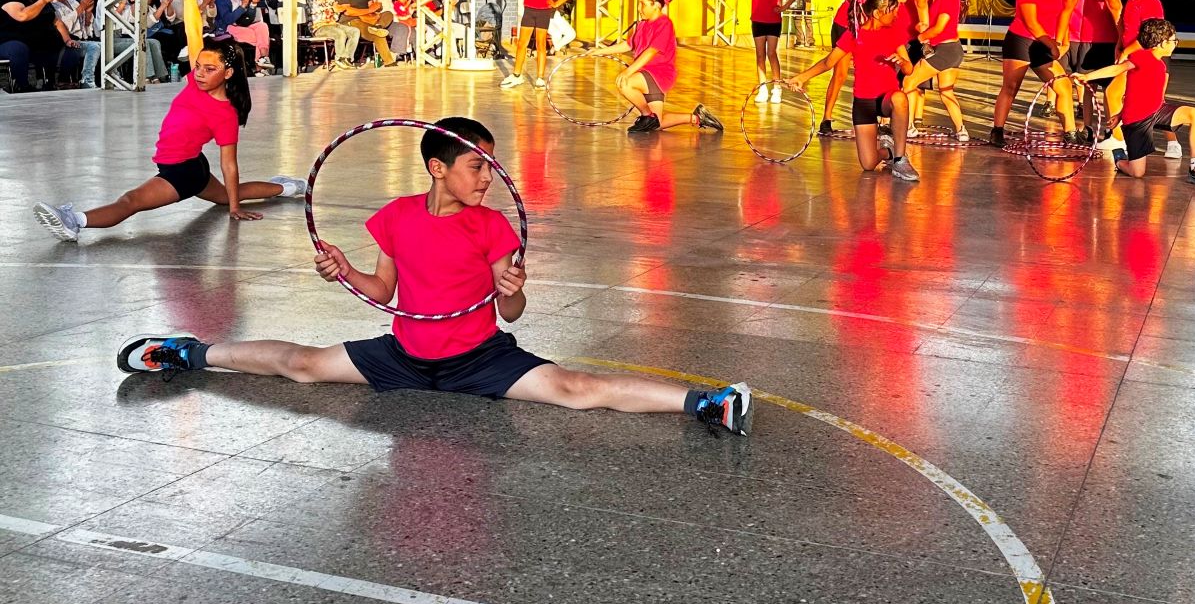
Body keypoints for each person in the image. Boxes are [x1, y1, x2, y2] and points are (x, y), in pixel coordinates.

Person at [114, 116, 752, 435]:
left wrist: (515, 291)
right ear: (437, 167)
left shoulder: (491, 227)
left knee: (576, 388)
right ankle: (188, 352)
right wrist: (345, 272)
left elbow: (513, 315)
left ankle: (707, 402)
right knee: (302, 364)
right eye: (477, 168)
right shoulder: (395, 216)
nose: (488, 179)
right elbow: (385, 293)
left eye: (491, 169)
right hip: (406, 353)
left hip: (479, 356)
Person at [32, 0, 304, 243]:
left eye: (210, 70)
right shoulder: (196, 83)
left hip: (182, 171)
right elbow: (193, 28)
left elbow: (229, 164)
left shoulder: (225, 114)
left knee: (131, 201)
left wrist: (235, 209)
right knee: (223, 195)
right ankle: (286, 187)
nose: (199, 73)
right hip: (192, 164)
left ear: (229, 74)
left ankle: (75, 221)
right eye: (199, 66)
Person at [788, 0, 919, 182]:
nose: (896, 15)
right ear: (877, 13)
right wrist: (801, 77)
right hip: (863, 101)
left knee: (900, 98)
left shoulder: (893, 33)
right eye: (892, 11)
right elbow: (828, 62)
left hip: (886, 98)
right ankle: (888, 152)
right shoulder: (854, 35)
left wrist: (901, 61)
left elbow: (909, 70)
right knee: (868, 164)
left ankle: (900, 159)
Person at [1072, 18, 1195, 185]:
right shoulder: (1141, 57)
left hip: (1158, 110)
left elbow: (1140, 94)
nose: (1175, 44)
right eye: (1172, 41)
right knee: (1137, 172)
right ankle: (1119, 158)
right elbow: (1118, 68)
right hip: (1137, 120)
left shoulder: (1161, 65)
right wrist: (1087, 77)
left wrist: (1119, 114)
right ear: (1160, 43)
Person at [592, 0, 723, 135]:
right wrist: (599, 51)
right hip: (647, 75)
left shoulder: (664, 24)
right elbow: (629, 44)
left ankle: (647, 116)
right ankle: (697, 118)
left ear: (656, 5)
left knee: (624, 82)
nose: (639, 8)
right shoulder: (642, 24)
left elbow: (651, 51)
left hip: (658, 74)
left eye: (643, 4)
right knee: (656, 124)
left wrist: (628, 71)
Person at [991, 0, 1078, 148]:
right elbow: (1032, 23)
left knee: (1063, 86)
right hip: (1021, 40)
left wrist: (1063, 41)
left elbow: (1064, 15)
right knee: (1011, 87)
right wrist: (1053, 46)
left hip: (1043, 42)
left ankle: (1071, 133)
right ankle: (997, 130)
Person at [819, 0, 893, 136]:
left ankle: (884, 120)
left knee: (879, 70)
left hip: (869, 28)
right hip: (847, 26)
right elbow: (857, 8)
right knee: (840, 73)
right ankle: (826, 119)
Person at [900, 0, 969, 141]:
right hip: (953, 51)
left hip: (945, 51)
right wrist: (924, 27)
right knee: (946, 92)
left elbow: (939, 28)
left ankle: (908, 127)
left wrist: (921, 39)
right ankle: (961, 130)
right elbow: (934, 25)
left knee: (908, 83)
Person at [1100, 0, 1165, 122]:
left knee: (1115, 95)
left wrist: (1125, 52)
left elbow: (1149, 37)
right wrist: (1119, 46)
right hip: (1131, 56)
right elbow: (1126, 28)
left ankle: (1118, 138)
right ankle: (1117, 137)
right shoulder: (1131, 0)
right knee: (1119, 96)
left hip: (1142, 59)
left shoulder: (1152, 3)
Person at [0, 0, 77, 91]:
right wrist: (43, 1)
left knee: (70, 48)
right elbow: (22, 15)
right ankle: (21, 85)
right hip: (10, 41)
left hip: (38, 43)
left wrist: (67, 40)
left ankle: (57, 82)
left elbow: (56, 21)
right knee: (19, 48)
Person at [206, 0, 271, 73]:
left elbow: (249, 18)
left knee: (262, 26)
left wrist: (253, 3)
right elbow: (228, 19)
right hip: (227, 27)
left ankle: (263, 58)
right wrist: (243, 6)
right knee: (261, 37)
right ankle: (260, 68)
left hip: (243, 25)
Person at [333, 0, 395, 66]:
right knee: (378, 34)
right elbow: (349, 11)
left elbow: (372, 5)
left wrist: (377, 7)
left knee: (388, 14)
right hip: (352, 21)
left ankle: (377, 27)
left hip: (370, 20)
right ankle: (389, 60)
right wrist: (370, 10)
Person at [308, 0, 360, 69]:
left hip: (333, 24)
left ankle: (347, 58)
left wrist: (337, 11)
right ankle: (339, 58)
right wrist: (334, 10)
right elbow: (318, 16)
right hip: (319, 27)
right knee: (339, 33)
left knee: (355, 31)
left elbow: (334, 17)